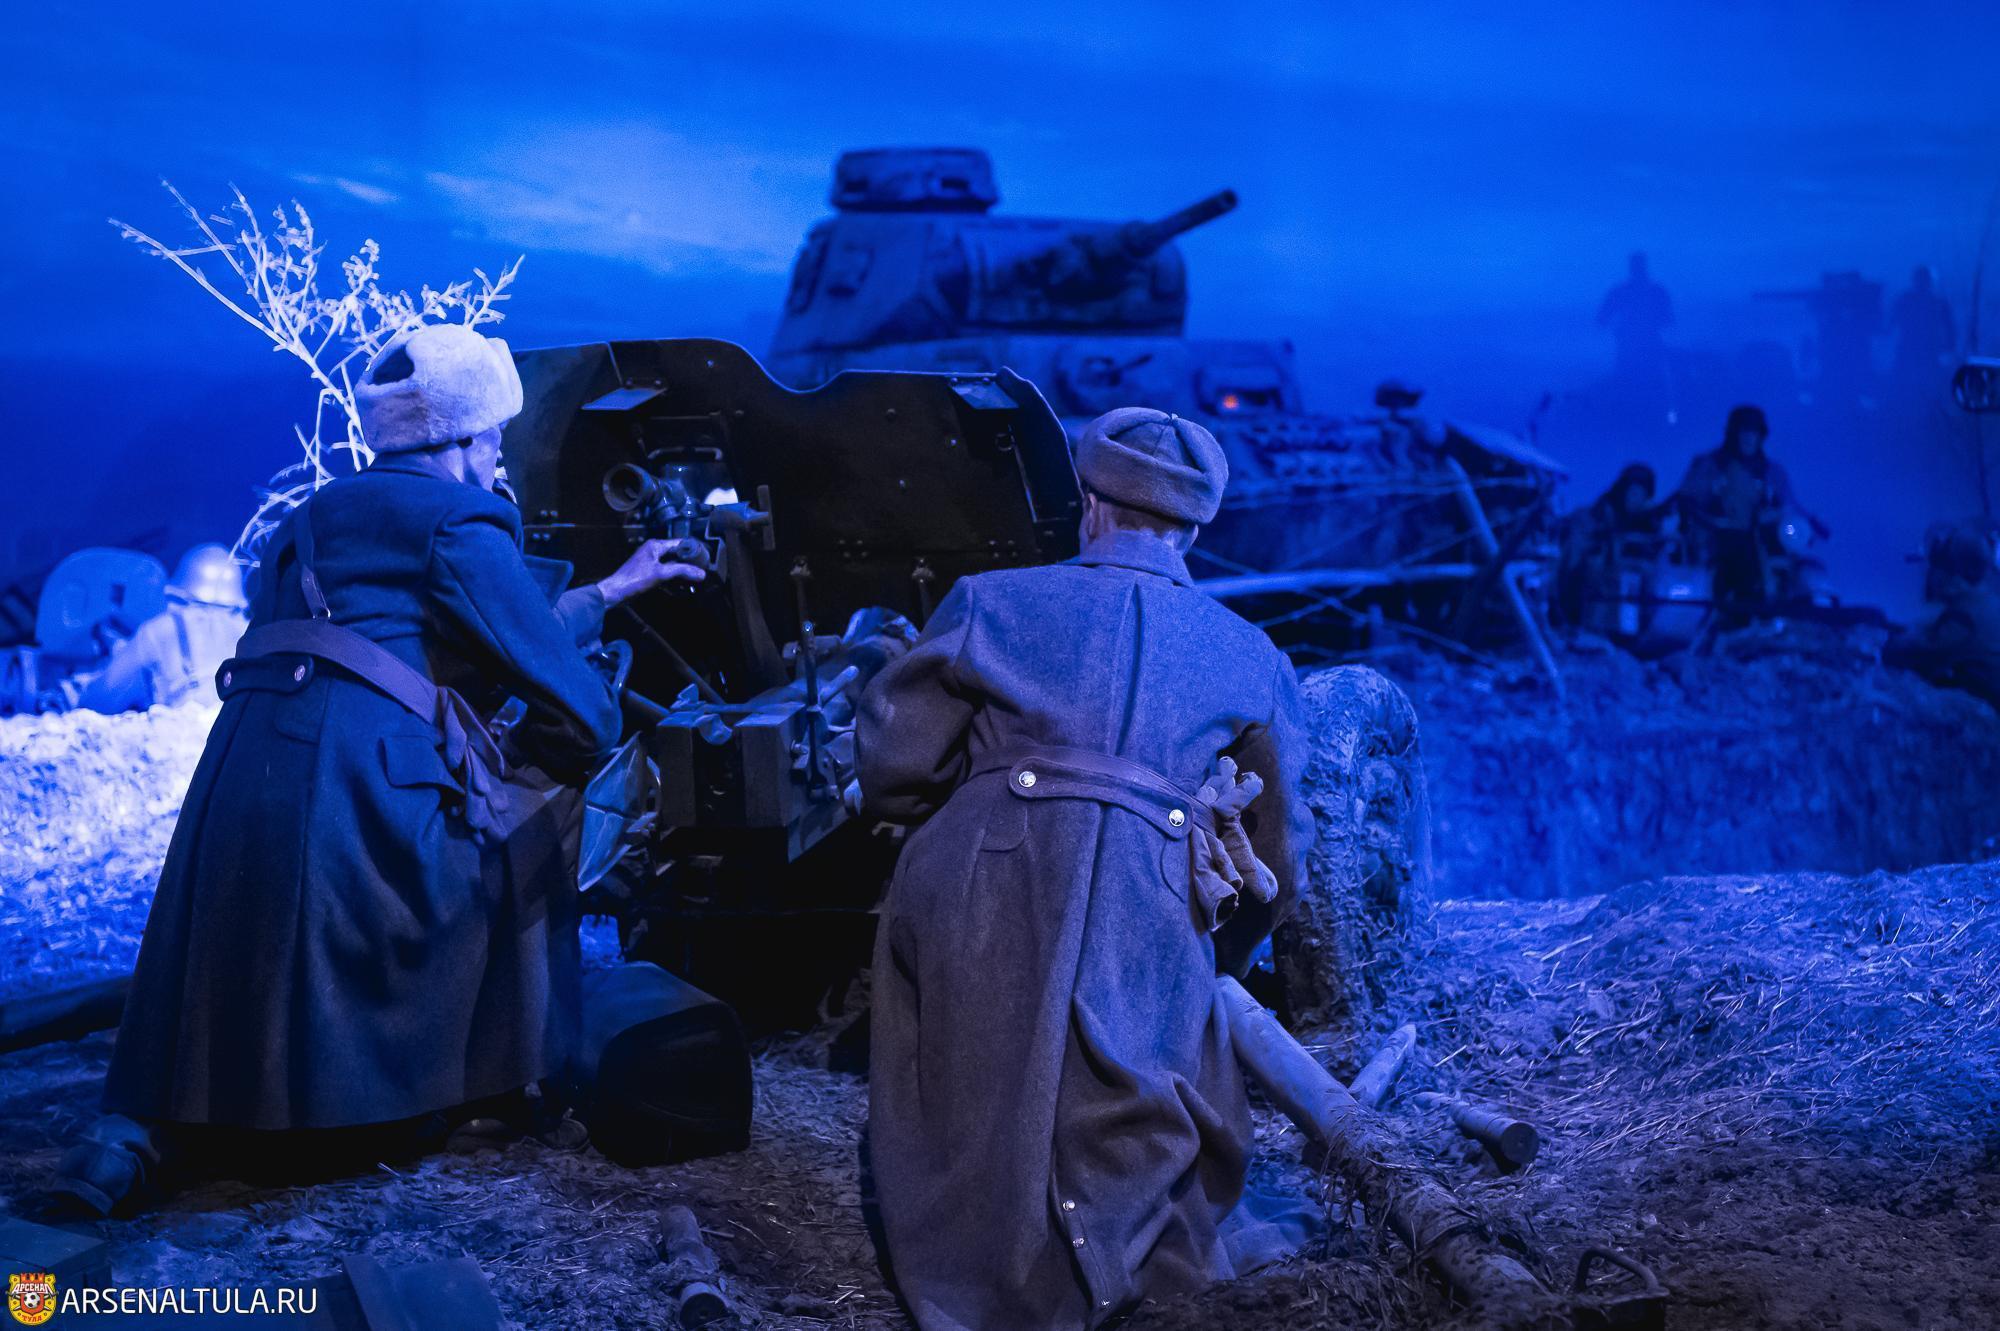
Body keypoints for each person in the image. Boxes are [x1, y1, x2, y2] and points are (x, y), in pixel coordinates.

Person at [57, 324, 704, 1215]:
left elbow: (396, 635)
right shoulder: (459, 519)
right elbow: (582, 711)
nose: (500, 456)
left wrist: (612, 589)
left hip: (237, 797)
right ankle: (486, 1083)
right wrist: (537, 752)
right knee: (535, 813)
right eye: (495, 439)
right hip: (361, 807)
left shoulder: (311, 521)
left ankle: (145, 1129)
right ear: (464, 440)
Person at [858, 407, 1313, 1330]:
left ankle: (978, 1260)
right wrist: (1213, 952)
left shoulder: (989, 601)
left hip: (985, 887)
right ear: (1191, 530)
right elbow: (1277, 855)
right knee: (1150, 1061)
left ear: (1090, 503)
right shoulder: (1251, 654)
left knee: (972, 1061)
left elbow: (892, 767)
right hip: (1153, 898)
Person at [1671, 404, 1827, 618]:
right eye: (1744, 432)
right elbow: (1687, 498)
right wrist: (1711, 519)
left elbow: (1788, 503)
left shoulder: (1772, 471)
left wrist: (1809, 522)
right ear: (1733, 434)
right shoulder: (1712, 465)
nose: (1749, 439)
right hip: (1720, 539)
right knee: (1741, 563)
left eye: (1754, 433)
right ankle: (1741, 615)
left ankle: (1814, 607)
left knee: (1803, 562)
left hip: (1766, 538)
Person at [58, 545, 249, 713]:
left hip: (186, 735)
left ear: (175, 595)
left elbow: (99, 701)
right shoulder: (250, 631)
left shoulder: (162, 629)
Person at [1884, 520, 2000, 708]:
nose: (1930, 577)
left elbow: (1906, 653)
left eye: (1936, 569)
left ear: (1952, 575)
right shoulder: (1987, 601)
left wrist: (1885, 639)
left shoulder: (1964, 619)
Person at [1557, 463, 1666, 628]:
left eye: (1643, 495)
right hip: (1592, 584)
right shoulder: (1599, 513)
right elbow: (1580, 549)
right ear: (1622, 491)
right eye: (1633, 493)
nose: (1636, 499)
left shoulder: (1647, 519)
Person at [1597, 251, 1674, 391]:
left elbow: (1602, 319)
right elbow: (1668, 320)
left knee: (1630, 381)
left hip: (1632, 342)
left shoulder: (1620, 291)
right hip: (1645, 341)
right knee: (1651, 381)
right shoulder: (1657, 291)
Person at [1890, 264, 1957, 392]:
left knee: (1928, 379)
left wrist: (1950, 346)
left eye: (1924, 279)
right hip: (1911, 345)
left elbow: (1950, 327)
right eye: (1921, 279)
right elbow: (1893, 322)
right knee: (1903, 378)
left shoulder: (1938, 302)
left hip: (1928, 347)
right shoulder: (1906, 300)